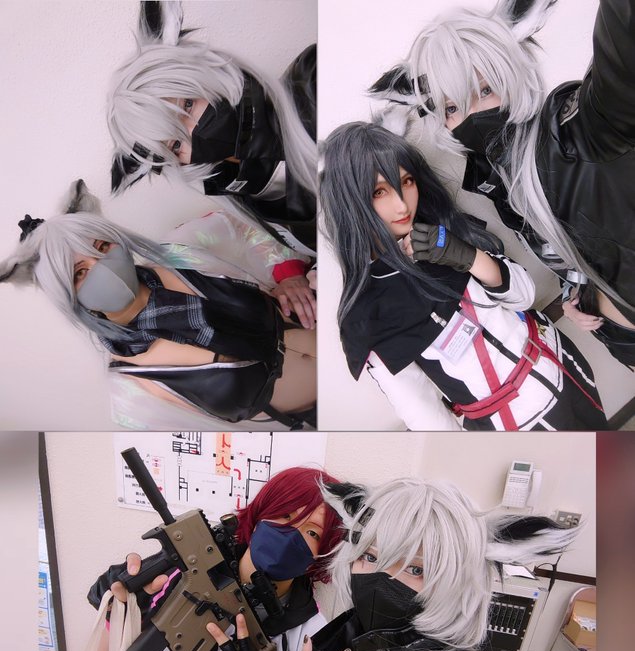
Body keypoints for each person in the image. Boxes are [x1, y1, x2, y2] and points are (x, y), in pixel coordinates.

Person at [370, 0, 635, 367]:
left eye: (485, 90)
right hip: (621, 341)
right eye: (452, 108)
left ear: (512, 75)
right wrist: (576, 295)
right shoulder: (498, 182)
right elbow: (570, 248)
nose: (472, 115)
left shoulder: (584, 132)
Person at [320, 122, 607, 431]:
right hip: (521, 424)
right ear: (350, 203)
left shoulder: (441, 229)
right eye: (379, 192)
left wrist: (466, 256)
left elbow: (524, 296)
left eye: (406, 181)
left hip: (565, 363)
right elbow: (425, 417)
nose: (402, 204)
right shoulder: (366, 316)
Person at [0, 181, 316, 430]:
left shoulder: (180, 252)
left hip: (332, 326)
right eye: (79, 272)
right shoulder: (131, 393)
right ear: (68, 296)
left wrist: (287, 272)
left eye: (102, 246)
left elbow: (240, 224)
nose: (101, 267)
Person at [310, 477, 580, 651]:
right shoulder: (342, 638)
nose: (381, 580)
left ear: (455, 583)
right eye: (370, 557)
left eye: (416, 569)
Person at [88, 466, 344, 651]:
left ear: (320, 556)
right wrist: (122, 609)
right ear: (258, 518)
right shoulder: (184, 572)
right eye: (285, 515)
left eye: (312, 532)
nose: (290, 534)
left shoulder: (312, 635)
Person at [108, 0, 317, 252]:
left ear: (205, 78)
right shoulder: (237, 192)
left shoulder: (314, 80)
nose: (194, 132)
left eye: (187, 105)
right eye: (175, 145)